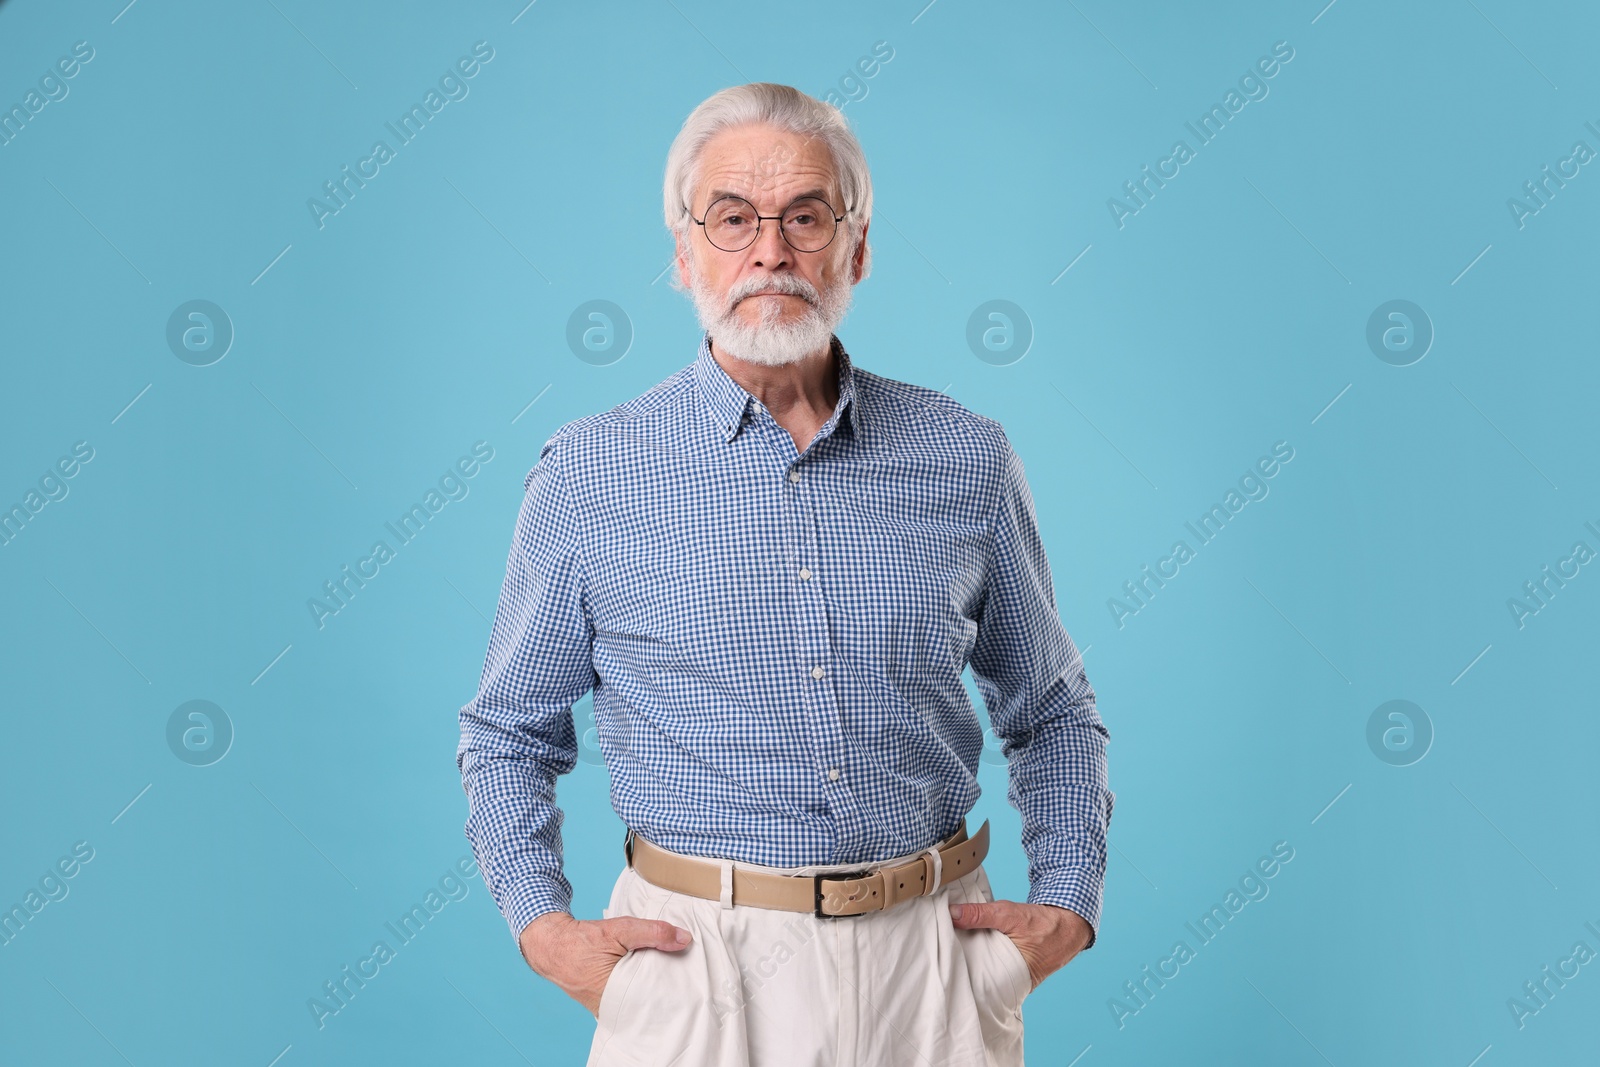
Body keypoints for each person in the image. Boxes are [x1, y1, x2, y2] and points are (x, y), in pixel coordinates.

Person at [456, 82, 1113, 1066]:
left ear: (855, 248)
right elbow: (507, 726)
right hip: (697, 973)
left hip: (930, 967)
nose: (770, 251)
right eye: (732, 219)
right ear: (683, 254)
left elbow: (1051, 704)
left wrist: (1067, 904)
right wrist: (543, 929)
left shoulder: (964, 455)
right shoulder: (590, 473)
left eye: (805, 216)